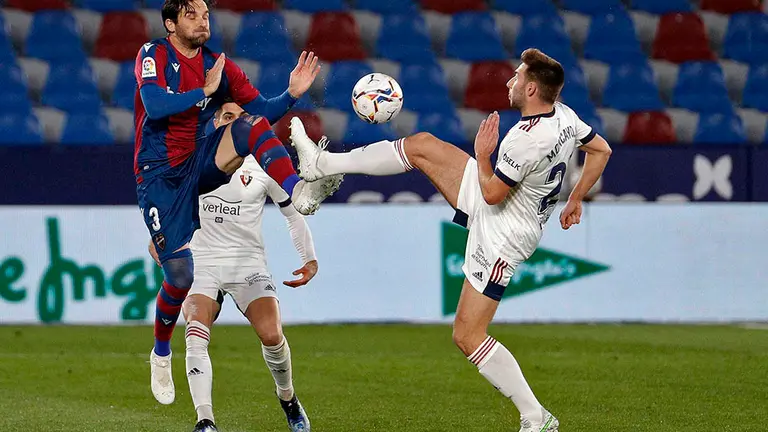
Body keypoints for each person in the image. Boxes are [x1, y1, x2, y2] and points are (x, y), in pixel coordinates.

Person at [288, 48, 612, 431]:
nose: (510, 81)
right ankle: (321, 166)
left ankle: (535, 415)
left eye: (517, 77)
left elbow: (492, 193)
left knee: (467, 335)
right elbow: (601, 149)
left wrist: (483, 154)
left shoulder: (525, 141)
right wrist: (575, 198)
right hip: (505, 207)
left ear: (530, 91)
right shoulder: (564, 115)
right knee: (423, 145)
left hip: (502, 233)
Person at [136, 0, 340, 405]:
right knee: (179, 276)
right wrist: (205, 92)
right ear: (170, 23)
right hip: (160, 175)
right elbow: (156, 106)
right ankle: (160, 353)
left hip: (200, 160)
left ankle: (299, 190)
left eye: (206, 14)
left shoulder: (220, 65)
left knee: (252, 124)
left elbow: (261, 107)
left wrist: (292, 94)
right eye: (191, 14)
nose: (202, 20)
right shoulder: (153, 54)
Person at [150, 103, 332, 432]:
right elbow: (166, 209)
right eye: (227, 117)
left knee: (272, 334)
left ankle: (288, 399)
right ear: (216, 124)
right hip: (202, 259)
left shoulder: (264, 165)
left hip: (247, 260)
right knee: (194, 332)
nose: (234, 124)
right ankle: (205, 421)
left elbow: (293, 215)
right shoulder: (194, 161)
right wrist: (160, 241)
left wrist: (309, 258)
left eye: (239, 118)